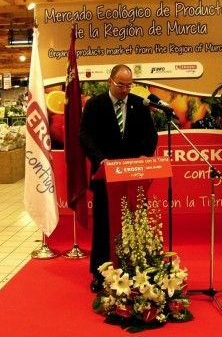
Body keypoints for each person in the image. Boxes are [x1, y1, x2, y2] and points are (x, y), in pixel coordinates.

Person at [79, 64, 158, 292]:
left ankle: (134, 269)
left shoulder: (139, 104)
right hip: (106, 175)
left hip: (134, 177)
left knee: (134, 225)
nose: (125, 89)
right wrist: (100, 158)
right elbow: (85, 136)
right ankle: (100, 272)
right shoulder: (95, 105)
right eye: (120, 85)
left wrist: (145, 155)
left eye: (128, 85)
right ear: (110, 82)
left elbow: (150, 135)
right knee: (104, 225)